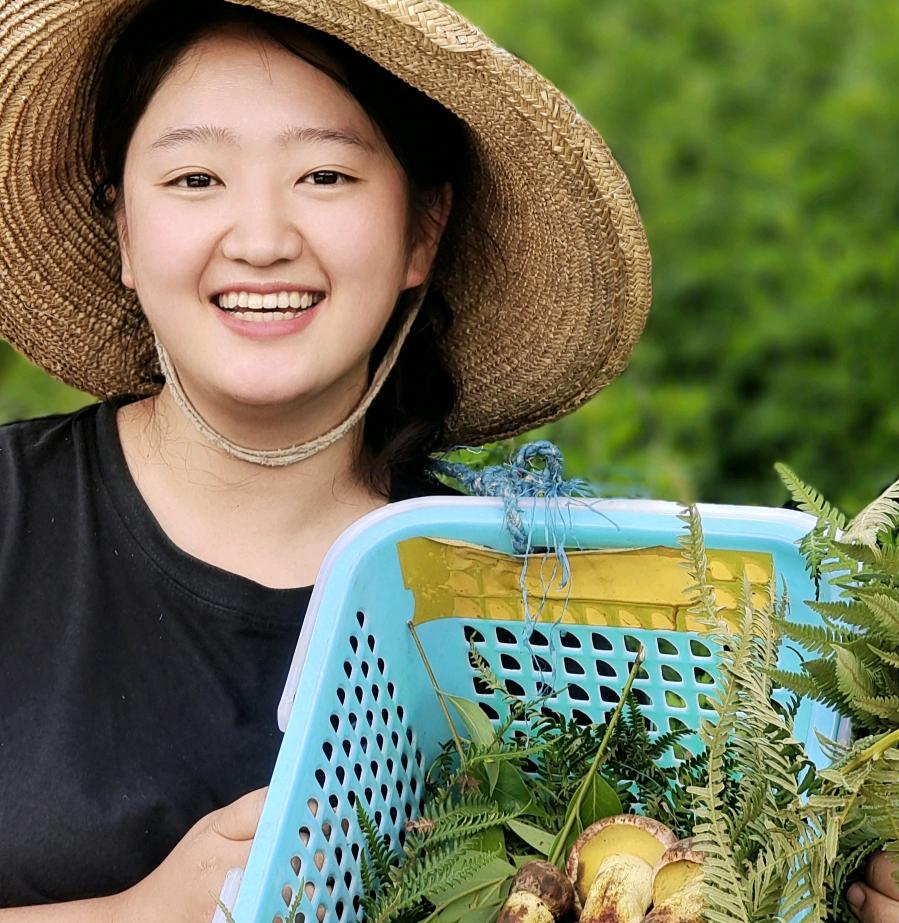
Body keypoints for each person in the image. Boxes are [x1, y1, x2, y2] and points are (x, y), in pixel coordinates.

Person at [0, 0, 652, 919]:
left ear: (422, 230)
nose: (262, 240)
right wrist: (135, 912)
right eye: (194, 178)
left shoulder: (528, 612)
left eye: (324, 174)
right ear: (123, 235)